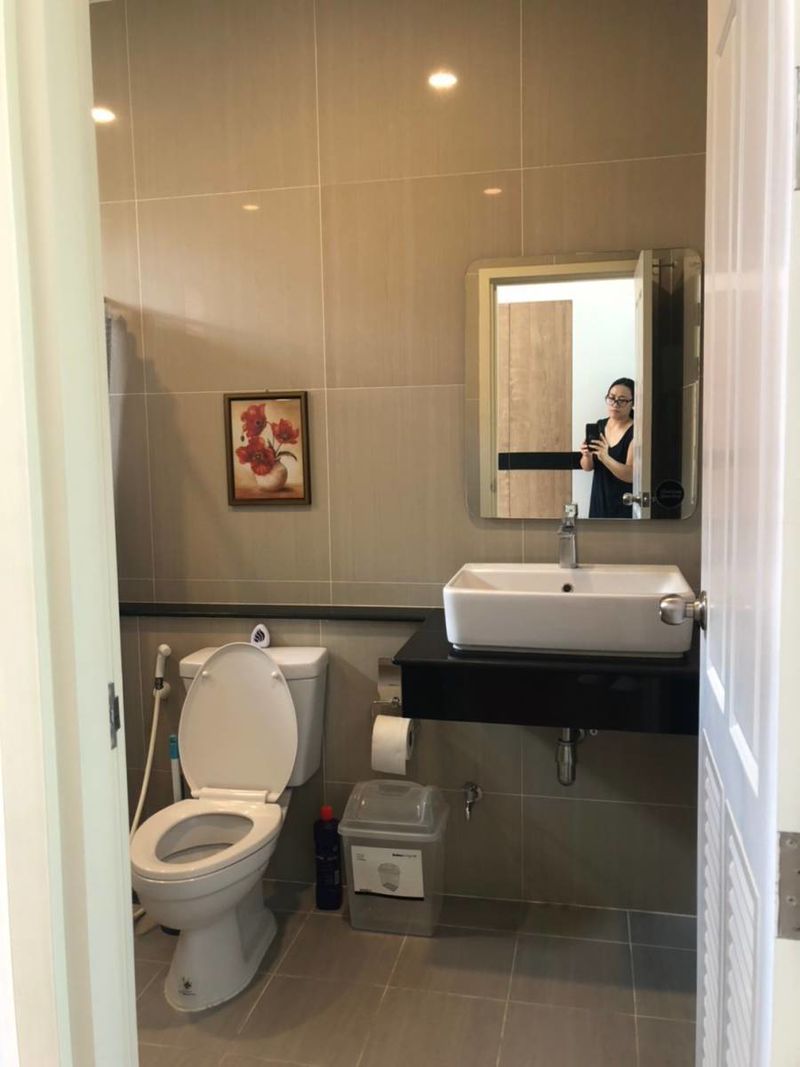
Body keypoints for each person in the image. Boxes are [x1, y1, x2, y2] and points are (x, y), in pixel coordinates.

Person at [580, 378, 635, 518]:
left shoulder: (636, 432)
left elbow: (631, 475)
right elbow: (587, 467)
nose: (615, 404)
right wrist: (586, 455)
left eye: (622, 400)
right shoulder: (600, 425)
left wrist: (605, 457)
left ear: (633, 403)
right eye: (611, 398)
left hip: (623, 505)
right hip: (598, 501)